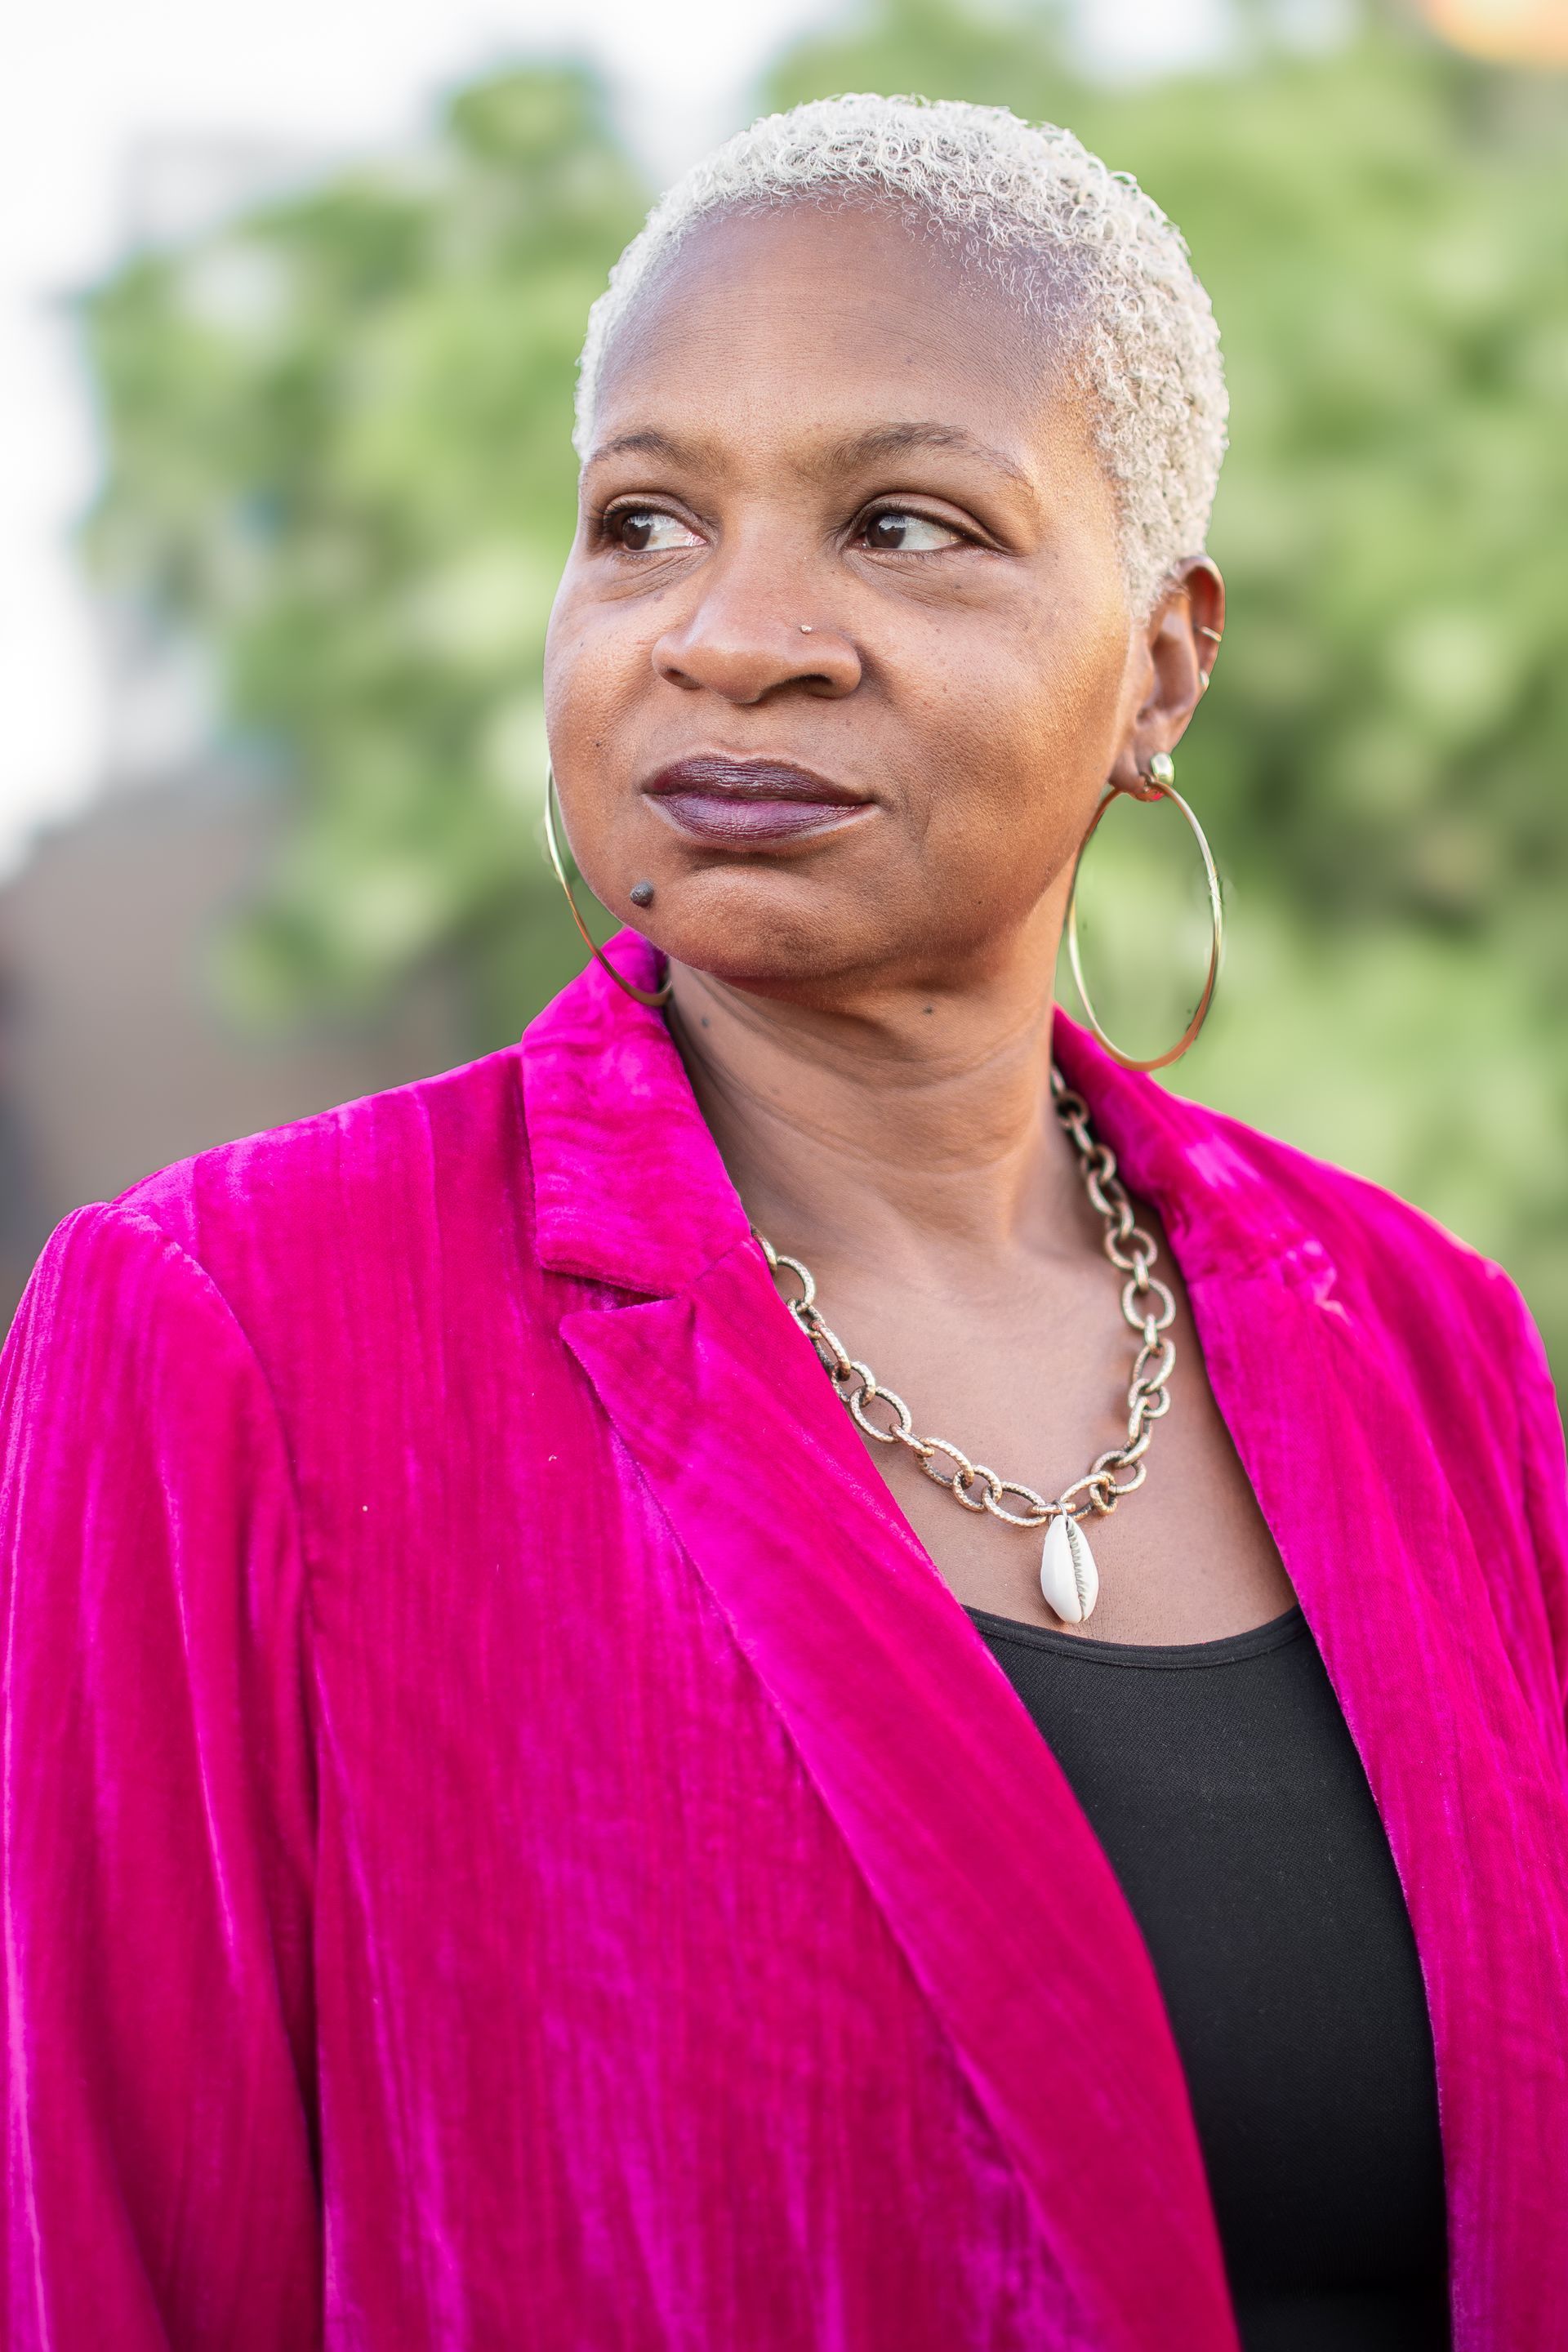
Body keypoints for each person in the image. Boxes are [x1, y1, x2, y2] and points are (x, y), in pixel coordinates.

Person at [2, 93, 1565, 2352]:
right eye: (643, 520)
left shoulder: (1424, 1347)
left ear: (1163, 664)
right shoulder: (233, 1328)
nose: (733, 637)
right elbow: (110, 2266)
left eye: (905, 523)